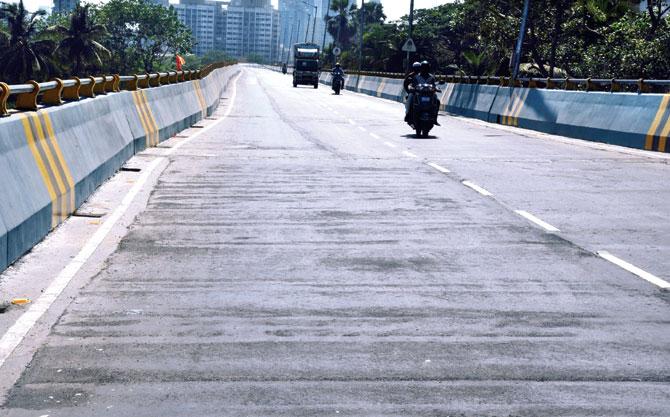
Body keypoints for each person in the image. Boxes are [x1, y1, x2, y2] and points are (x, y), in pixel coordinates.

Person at [409, 61, 440, 126]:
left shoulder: (431, 77)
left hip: (429, 94)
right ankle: (410, 117)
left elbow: (434, 85)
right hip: (419, 94)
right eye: (423, 68)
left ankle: (435, 119)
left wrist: (437, 88)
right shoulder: (416, 77)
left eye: (426, 68)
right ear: (421, 68)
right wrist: (411, 88)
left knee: (437, 101)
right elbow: (412, 85)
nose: (425, 69)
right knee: (411, 101)